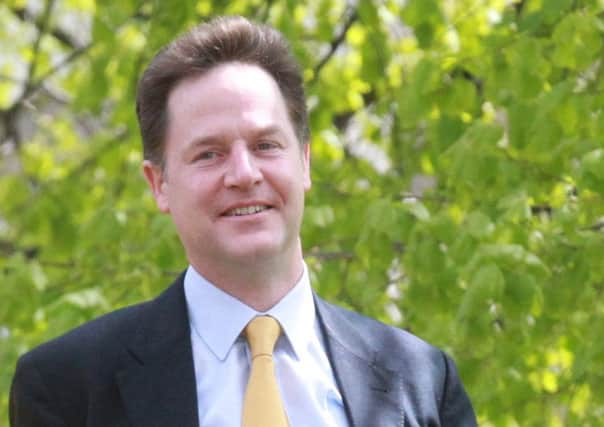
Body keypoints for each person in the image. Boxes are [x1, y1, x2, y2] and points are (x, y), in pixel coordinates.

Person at [9, 16, 477, 426]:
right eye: (209, 154)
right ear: (159, 185)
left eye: (266, 145)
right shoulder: (69, 389)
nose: (244, 174)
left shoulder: (421, 380)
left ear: (305, 162)